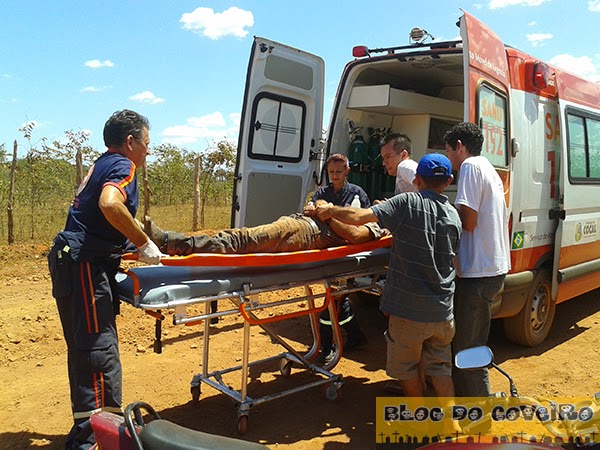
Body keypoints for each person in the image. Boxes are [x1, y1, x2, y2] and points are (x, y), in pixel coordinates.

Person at [47, 110, 163, 450]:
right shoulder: (122, 165)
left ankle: (88, 431)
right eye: (146, 143)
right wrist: (142, 242)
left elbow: (96, 219)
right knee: (98, 352)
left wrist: (130, 246)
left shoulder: (102, 163)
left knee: (85, 350)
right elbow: (110, 205)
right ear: (130, 142)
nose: (147, 151)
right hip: (83, 264)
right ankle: (94, 440)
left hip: (73, 261)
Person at [307, 153, 461, 397]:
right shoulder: (454, 214)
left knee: (407, 370)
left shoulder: (406, 203)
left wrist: (328, 210)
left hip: (409, 310)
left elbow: (359, 218)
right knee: (440, 369)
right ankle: (450, 426)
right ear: (450, 180)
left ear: (418, 179)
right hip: (443, 312)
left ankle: (419, 422)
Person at [444, 122, 511, 398]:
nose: (449, 160)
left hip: (478, 272)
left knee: (467, 347)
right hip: (491, 268)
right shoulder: (489, 168)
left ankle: (479, 412)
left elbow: (468, 221)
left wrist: (442, 216)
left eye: (448, 152)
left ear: (459, 147)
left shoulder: (470, 167)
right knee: (470, 342)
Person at [310, 153, 369, 363]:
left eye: (339, 172)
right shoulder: (321, 193)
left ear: (347, 172)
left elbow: (359, 222)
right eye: (331, 172)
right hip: (327, 252)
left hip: (346, 254)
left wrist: (328, 216)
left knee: (331, 302)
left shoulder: (356, 194)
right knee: (338, 298)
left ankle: (327, 347)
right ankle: (355, 336)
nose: (334, 176)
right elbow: (310, 210)